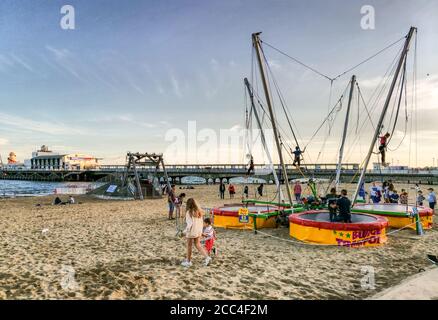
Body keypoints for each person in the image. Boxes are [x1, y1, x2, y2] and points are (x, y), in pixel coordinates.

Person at [181, 198, 211, 267]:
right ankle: (207, 257)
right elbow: (201, 223)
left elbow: (189, 224)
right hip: (197, 231)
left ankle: (188, 261)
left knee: (189, 246)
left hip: (191, 231)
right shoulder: (199, 211)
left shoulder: (189, 212)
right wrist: (201, 232)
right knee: (198, 245)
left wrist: (184, 232)